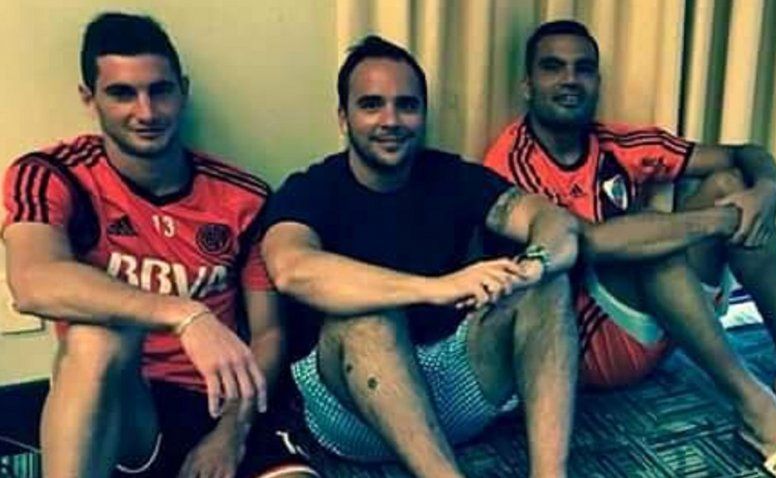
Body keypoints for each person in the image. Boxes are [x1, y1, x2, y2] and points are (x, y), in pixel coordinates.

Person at [483, 19, 776, 478]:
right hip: (586, 350)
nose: (570, 80)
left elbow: (743, 153)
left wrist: (767, 190)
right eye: (553, 67)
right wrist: (716, 221)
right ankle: (757, 409)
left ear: (597, 80)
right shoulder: (511, 163)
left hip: (664, 320)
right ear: (527, 85)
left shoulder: (617, 142)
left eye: (583, 68)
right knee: (649, 242)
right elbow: (587, 242)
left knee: (729, 184)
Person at [2, 13, 317, 478]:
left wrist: (230, 434)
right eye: (122, 93)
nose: (146, 113)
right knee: (97, 336)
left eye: (160, 91)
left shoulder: (242, 196)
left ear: (182, 91)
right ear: (89, 98)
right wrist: (184, 315)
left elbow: (268, 334)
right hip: (124, 407)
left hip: (220, 404)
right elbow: (32, 282)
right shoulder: (55, 174)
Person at [260, 35, 582, 478]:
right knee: (368, 319)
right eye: (371, 105)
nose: (391, 120)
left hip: (450, 384)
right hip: (352, 410)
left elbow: (555, 222)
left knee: (550, 284)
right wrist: (435, 289)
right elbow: (292, 269)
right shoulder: (311, 189)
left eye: (406, 106)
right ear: (343, 118)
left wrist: (533, 266)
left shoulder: (451, 175)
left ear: (423, 114)